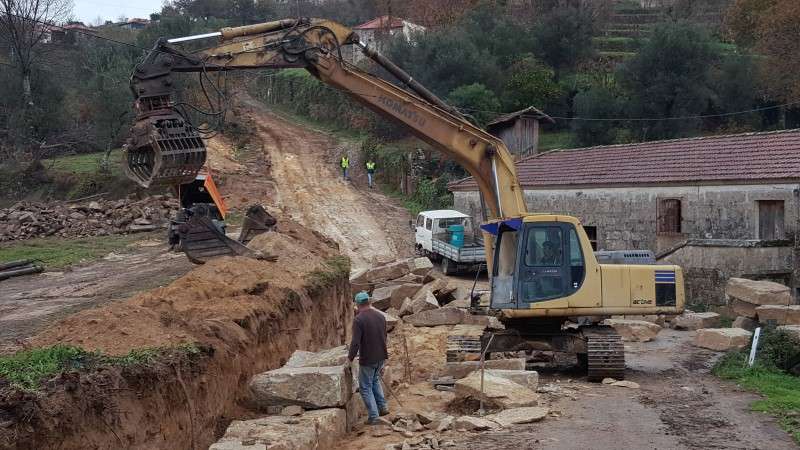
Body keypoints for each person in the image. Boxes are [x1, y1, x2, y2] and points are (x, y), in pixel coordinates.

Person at [348, 291, 389, 424]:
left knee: (365, 386)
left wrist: (350, 358)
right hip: (381, 355)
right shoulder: (380, 316)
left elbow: (355, 342)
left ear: (357, 304)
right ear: (369, 302)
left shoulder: (359, 319)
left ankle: (374, 416)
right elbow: (384, 337)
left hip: (368, 358)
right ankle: (383, 407)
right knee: (375, 380)